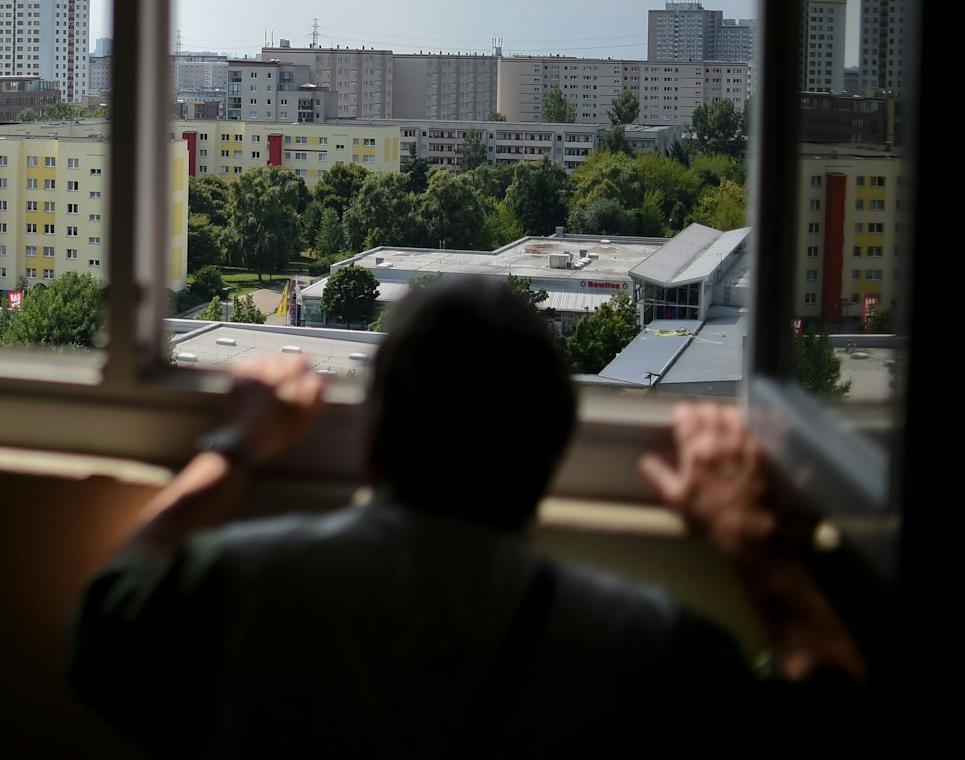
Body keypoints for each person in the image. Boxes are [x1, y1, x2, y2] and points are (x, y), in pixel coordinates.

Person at [68, 278, 869, 758]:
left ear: (373, 442)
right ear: (548, 459)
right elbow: (833, 721)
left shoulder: (246, 588)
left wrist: (237, 443)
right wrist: (749, 536)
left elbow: (103, 620)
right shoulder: (648, 652)